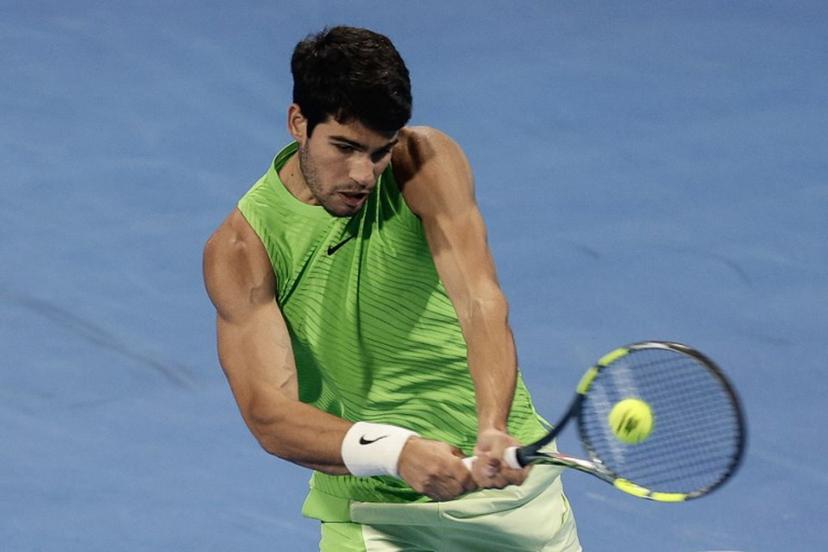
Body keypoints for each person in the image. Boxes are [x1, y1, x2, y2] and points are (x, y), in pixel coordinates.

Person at [203, 26, 581, 551]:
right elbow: (269, 414)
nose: (363, 174)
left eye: (379, 152)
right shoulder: (244, 249)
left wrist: (492, 424)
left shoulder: (422, 162)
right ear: (298, 122)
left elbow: (480, 301)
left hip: (509, 495)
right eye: (345, 147)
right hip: (376, 510)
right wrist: (394, 450)